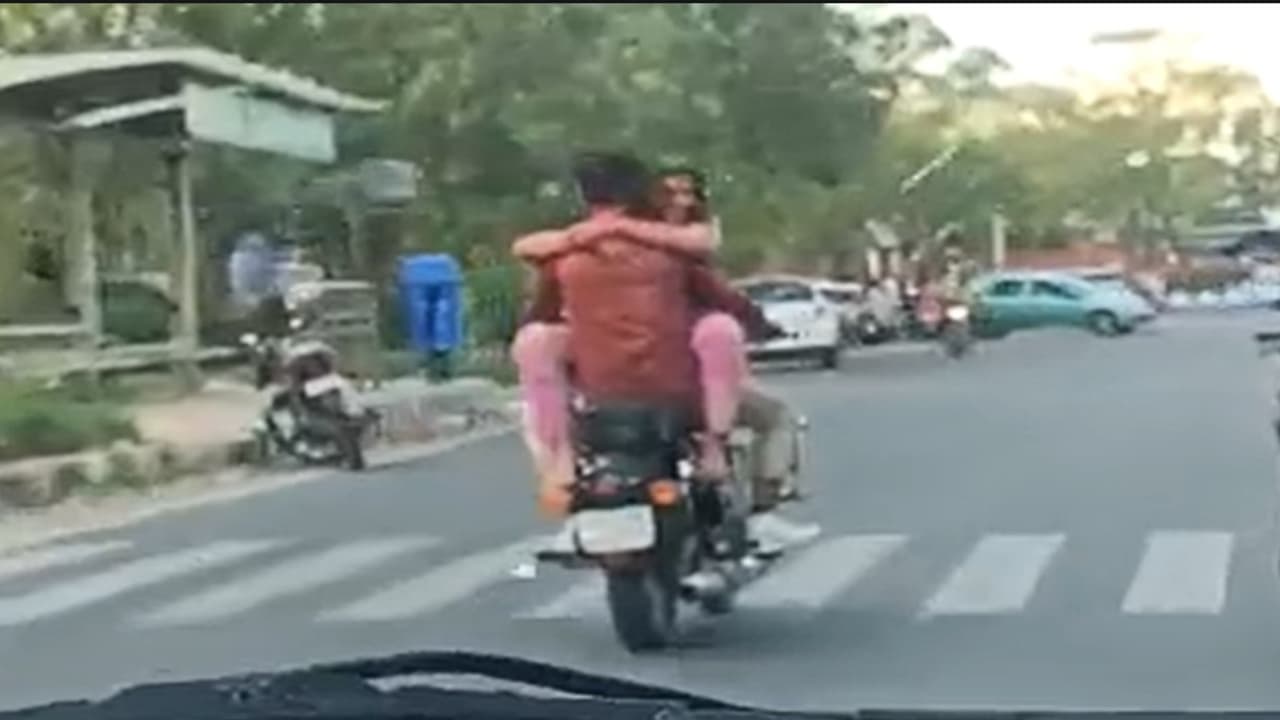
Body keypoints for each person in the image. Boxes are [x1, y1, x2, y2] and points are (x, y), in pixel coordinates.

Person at [513, 161, 818, 553]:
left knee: (534, 381)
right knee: (772, 412)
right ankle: (748, 494)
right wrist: (760, 325)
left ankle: (562, 472)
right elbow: (725, 299)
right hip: (679, 394)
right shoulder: (674, 254)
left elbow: (538, 306)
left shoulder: (564, 258)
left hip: (598, 398)